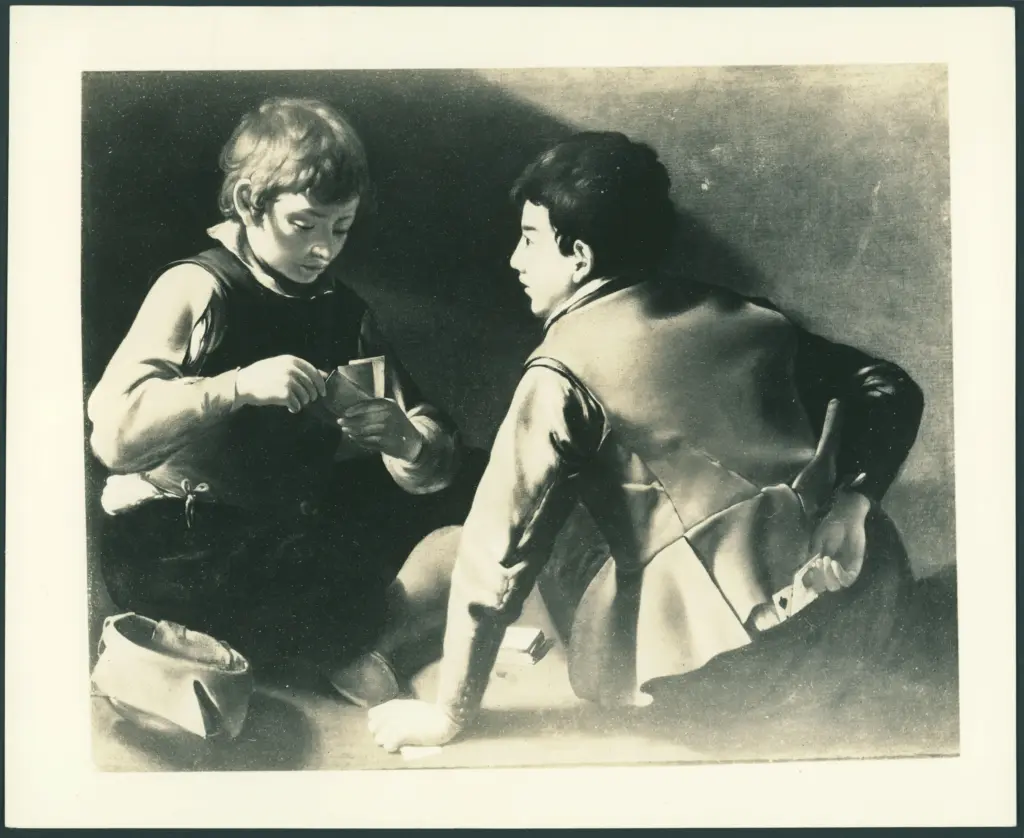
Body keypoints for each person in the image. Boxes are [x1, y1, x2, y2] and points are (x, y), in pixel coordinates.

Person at [356, 130, 939, 753]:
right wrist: (853, 506)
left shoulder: (559, 372)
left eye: (529, 240)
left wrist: (450, 713)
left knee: (464, 538)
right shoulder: (742, 311)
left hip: (722, 671)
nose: (514, 261)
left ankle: (366, 644)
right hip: (864, 601)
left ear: (578, 256)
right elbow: (889, 386)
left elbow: (500, 549)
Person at [87, 98, 481, 680]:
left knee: (475, 474)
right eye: (305, 225)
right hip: (181, 530)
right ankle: (374, 640)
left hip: (285, 521)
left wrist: (408, 442)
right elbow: (112, 440)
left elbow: (414, 413)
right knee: (307, 593)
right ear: (251, 203)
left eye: (340, 228)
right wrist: (235, 387)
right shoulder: (199, 287)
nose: (324, 249)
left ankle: (357, 633)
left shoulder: (344, 311)